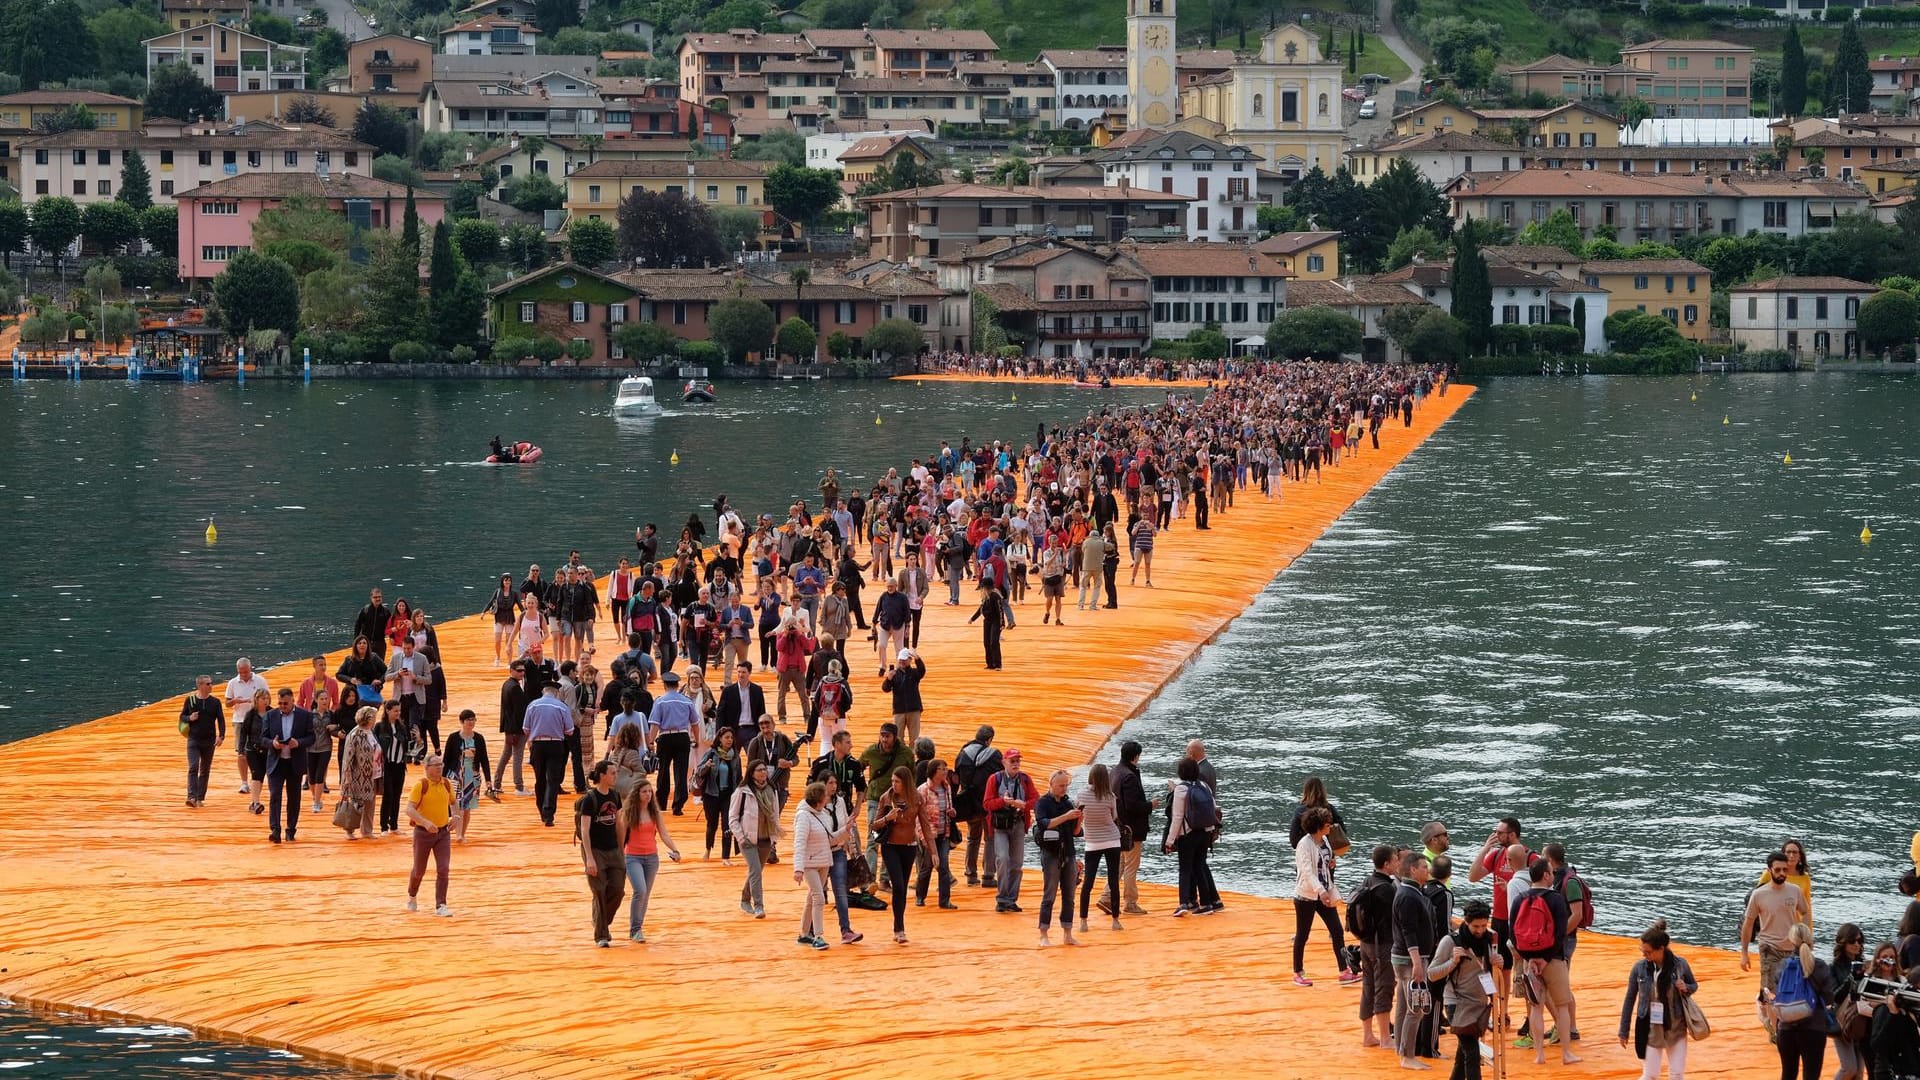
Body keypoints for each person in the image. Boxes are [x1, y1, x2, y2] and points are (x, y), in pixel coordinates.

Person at [1511, 859, 1580, 1067]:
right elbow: (1560, 933)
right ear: (1546, 875)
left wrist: (1529, 958)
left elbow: (1513, 933)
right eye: (1551, 872)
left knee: (1536, 1008)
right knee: (1562, 1006)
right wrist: (1546, 958)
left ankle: (1539, 1054)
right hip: (1553, 960)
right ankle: (1566, 1053)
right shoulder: (1556, 899)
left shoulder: (1520, 898)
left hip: (1529, 961)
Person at [1428, 899, 1501, 1080]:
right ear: (1466, 922)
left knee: (1463, 1056)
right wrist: (1452, 962)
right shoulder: (1450, 942)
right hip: (1457, 1002)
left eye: (1484, 925)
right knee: (1472, 1053)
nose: (1480, 930)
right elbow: (1431, 974)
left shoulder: (1489, 939)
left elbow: (1491, 969)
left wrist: (1499, 962)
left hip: (1479, 1003)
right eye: (1476, 926)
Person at [1619, 919, 1698, 1080]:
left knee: (1676, 1074)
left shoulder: (1680, 965)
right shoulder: (1639, 968)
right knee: (1650, 1075)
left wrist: (1686, 987)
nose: (1644, 955)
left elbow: (1694, 985)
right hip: (1650, 1027)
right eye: (1643, 951)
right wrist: (1624, 1030)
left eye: (1648, 952)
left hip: (1675, 1026)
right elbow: (1630, 999)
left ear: (1661, 949)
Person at [1291, 805, 1358, 986]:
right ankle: (1297, 972)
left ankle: (1344, 970)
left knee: (1336, 930)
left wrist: (1331, 862)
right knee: (1302, 935)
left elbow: (1325, 861)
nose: (1331, 828)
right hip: (1306, 895)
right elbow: (1306, 871)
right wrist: (1320, 891)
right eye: (1328, 825)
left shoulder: (1325, 841)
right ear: (1319, 826)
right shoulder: (1303, 845)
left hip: (1324, 892)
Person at [872, 765, 935, 944]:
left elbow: (925, 826)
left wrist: (933, 851)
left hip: (909, 847)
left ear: (905, 782)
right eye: (892, 781)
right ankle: (898, 928)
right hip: (890, 847)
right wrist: (887, 818)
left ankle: (899, 926)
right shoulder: (886, 798)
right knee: (898, 885)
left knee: (903, 887)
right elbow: (874, 825)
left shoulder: (917, 799)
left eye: (897, 781)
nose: (894, 784)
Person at [1743, 849, 1814, 997]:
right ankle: (1769, 1020)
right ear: (1769, 870)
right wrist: (1744, 953)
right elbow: (1748, 924)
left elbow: (1805, 912)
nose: (1782, 873)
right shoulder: (1758, 894)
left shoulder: (1794, 891)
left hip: (1792, 948)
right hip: (1769, 947)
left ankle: (1784, 1019)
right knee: (1769, 992)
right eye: (1777, 870)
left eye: (1784, 870)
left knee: (1792, 989)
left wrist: (1804, 934)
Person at [1392, 853, 1440, 1071]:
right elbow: (1408, 931)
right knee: (1417, 1007)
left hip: (1408, 957)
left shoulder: (1410, 892)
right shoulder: (1409, 896)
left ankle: (1401, 1049)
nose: (1427, 870)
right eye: (1423, 867)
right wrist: (1418, 963)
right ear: (1412, 869)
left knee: (1404, 1005)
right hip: (1411, 959)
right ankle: (1407, 1055)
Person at [1354, 845, 1403, 1049]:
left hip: (1365, 943)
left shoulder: (1367, 881)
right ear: (1387, 864)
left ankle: (1368, 1035)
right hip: (1382, 945)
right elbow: (1396, 918)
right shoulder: (1387, 889)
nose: (1398, 863)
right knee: (1384, 988)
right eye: (1395, 860)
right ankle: (1385, 1037)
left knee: (1368, 987)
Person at [619, 779, 680, 943]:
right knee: (640, 890)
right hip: (632, 857)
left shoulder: (655, 812)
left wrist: (675, 850)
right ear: (637, 794)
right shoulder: (629, 812)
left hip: (651, 858)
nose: (648, 794)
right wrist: (618, 856)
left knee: (645, 894)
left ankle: (638, 928)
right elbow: (621, 836)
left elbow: (664, 834)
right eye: (644, 791)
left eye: (649, 791)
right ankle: (635, 929)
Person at [1774, 921, 1836, 1080]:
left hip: (1786, 1027)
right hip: (1813, 1028)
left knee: (1788, 1073)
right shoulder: (1820, 966)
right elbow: (1829, 997)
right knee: (1811, 1075)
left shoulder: (1782, 966)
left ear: (1791, 941)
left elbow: (1778, 992)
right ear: (1810, 940)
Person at [575, 761, 625, 947]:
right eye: (612, 773)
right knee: (599, 890)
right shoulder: (590, 799)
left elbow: (619, 823)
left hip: (613, 850)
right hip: (595, 851)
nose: (615, 776)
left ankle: (600, 920)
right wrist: (589, 858)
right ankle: (601, 935)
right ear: (602, 775)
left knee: (617, 890)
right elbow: (585, 830)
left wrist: (622, 849)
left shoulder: (615, 796)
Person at [983, 748, 1038, 914]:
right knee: (1002, 858)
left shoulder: (1025, 779)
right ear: (1004, 762)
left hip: (1018, 823)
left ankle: (1011, 899)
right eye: (1012, 761)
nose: (1015, 764)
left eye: (1017, 761)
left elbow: (1036, 799)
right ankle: (1002, 897)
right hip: (1000, 826)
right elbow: (987, 804)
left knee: (1016, 863)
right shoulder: (995, 779)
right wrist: (1003, 801)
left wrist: (1024, 805)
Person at [1164, 756, 1220, 917]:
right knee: (1199, 866)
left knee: (1185, 869)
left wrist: (1170, 840)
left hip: (1188, 834)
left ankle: (1183, 903)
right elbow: (1213, 808)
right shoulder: (1204, 786)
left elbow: (1177, 816)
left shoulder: (1181, 789)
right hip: (1205, 832)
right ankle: (1206, 903)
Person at [727, 759, 782, 919]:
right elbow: (732, 817)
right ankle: (759, 906)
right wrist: (740, 836)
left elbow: (775, 814)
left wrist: (774, 836)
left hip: (765, 838)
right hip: (748, 839)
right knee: (756, 871)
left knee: (755, 871)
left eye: (764, 769)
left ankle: (745, 899)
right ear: (751, 773)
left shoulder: (772, 790)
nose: (763, 772)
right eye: (759, 770)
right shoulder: (742, 792)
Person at [1033, 768, 1083, 946]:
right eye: (1061, 785)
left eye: (1066, 786)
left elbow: (1076, 832)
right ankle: (1043, 934)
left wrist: (1078, 818)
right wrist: (1066, 816)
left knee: (1069, 894)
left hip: (1068, 851)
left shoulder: (1068, 803)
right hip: (1051, 853)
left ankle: (1067, 933)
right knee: (1049, 894)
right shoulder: (1042, 803)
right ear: (1051, 784)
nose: (1064, 789)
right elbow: (1045, 824)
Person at [404, 753, 456, 917]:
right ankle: (412, 895)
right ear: (427, 768)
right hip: (423, 834)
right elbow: (409, 809)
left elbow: (454, 803)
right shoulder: (421, 785)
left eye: (441, 764)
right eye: (436, 765)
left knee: (444, 868)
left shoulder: (446, 784)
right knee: (419, 870)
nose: (440, 768)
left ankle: (441, 904)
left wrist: (456, 816)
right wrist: (425, 822)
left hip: (443, 833)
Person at [261, 688, 314, 844]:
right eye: (280, 703)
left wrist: (298, 743)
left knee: (294, 798)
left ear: (292, 701)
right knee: (274, 795)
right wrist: (273, 743)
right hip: (276, 763)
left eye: (285, 703)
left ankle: (291, 829)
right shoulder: (270, 716)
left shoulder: (305, 716)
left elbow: (311, 737)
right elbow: (263, 738)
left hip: (294, 763)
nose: (282, 706)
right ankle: (275, 830)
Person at [953, 725, 1003, 889]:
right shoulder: (994, 755)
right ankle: (988, 875)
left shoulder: (963, 753)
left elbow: (956, 777)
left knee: (973, 838)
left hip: (968, 803)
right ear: (989, 740)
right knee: (990, 838)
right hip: (987, 804)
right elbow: (1000, 779)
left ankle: (971, 874)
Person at [1075, 762, 1123, 931]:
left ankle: (1083, 922)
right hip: (1112, 840)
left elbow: (1077, 812)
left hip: (1092, 841)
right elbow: (1114, 816)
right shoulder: (1110, 796)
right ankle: (1115, 920)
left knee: (1088, 882)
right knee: (1113, 881)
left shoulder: (1081, 794)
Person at [522, 680, 575, 828]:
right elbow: (569, 730)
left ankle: (541, 809)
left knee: (540, 778)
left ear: (543, 691)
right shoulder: (561, 706)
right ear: (556, 692)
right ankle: (549, 813)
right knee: (553, 780)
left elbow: (526, 728)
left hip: (537, 745)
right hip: (556, 744)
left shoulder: (532, 705)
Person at [792, 781, 837, 950]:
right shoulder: (803, 816)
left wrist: (845, 831)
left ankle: (804, 934)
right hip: (810, 864)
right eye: (825, 795)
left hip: (823, 862)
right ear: (818, 799)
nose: (828, 797)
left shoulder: (823, 814)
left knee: (812, 898)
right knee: (819, 897)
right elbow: (799, 843)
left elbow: (829, 838)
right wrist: (798, 868)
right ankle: (818, 935)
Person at [1112, 741, 1153, 916]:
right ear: (1136, 756)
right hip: (1132, 829)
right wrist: (1150, 805)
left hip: (1118, 826)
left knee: (1121, 864)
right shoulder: (1129, 776)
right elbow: (1133, 805)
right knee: (1130, 866)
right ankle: (1130, 902)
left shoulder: (1114, 772)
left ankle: (1107, 896)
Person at [647, 670, 697, 815]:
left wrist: (650, 742)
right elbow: (695, 723)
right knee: (681, 772)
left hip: (665, 738)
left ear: (665, 685)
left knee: (663, 771)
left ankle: (662, 803)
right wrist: (696, 739)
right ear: (677, 685)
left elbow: (655, 724)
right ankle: (678, 805)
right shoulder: (686, 701)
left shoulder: (660, 701)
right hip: (682, 737)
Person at [442, 710, 493, 843]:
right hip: (455, 776)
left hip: (473, 776)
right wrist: (441, 778)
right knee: (458, 805)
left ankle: (462, 833)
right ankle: (458, 834)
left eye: (473, 719)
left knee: (468, 807)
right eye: (468, 720)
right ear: (462, 721)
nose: (471, 722)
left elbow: (484, 760)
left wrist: (488, 780)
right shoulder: (453, 738)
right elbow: (446, 759)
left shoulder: (479, 738)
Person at [914, 760, 958, 911]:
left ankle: (944, 901)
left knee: (944, 866)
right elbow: (918, 816)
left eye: (945, 769)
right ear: (933, 771)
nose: (945, 771)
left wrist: (951, 812)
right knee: (927, 866)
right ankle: (920, 896)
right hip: (929, 834)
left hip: (943, 832)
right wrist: (922, 835)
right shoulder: (923, 790)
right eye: (941, 769)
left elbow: (949, 806)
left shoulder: (947, 788)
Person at [225, 657, 271, 802]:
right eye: (241, 672)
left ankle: (260, 778)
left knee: (263, 750)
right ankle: (244, 782)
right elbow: (227, 703)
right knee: (241, 753)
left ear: (250, 668)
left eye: (246, 671)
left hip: (259, 718)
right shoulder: (233, 683)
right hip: (240, 719)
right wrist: (234, 701)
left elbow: (267, 697)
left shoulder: (260, 680)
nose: (243, 674)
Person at [694, 726, 741, 864]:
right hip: (711, 795)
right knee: (712, 824)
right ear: (719, 739)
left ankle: (725, 856)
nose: (729, 740)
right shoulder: (711, 754)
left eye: (731, 737)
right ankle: (708, 849)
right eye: (726, 737)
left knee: (728, 825)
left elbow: (739, 777)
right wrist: (707, 766)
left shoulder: (735, 756)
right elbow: (699, 772)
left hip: (728, 796)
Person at [178, 674, 225, 808]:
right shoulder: (190, 700)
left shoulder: (215, 702)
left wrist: (221, 736)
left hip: (209, 740)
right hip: (193, 739)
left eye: (211, 683)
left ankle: (199, 797)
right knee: (193, 766)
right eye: (208, 684)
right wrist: (189, 718)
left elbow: (220, 719)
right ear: (200, 686)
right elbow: (182, 716)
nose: (211, 686)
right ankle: (191, 796)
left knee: (205, 769)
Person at [338, 706, 381, 839]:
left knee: (370, 803)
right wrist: (347, 778)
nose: (375, 719)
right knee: (357, 804)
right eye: (373, 716)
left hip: (373, 773)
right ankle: (349, 829)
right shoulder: (355, 734)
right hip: (358, 775)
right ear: (368, 718)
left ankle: (367, 830)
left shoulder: (370, 732)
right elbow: (348, 757)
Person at [372, 700, 411, 836]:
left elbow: (408, 747)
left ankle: (394, 825)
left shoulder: (402, 727)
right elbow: (374, 746)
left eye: (399, 711)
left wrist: (417, 741)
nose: (398, 713)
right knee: (387, 795)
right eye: (395, 711)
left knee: (397, 796)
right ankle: (384, 827)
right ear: (387, 710)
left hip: (399, 765)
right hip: (386, 766)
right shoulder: (380, 727)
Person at [1756, 838, 1814, 927]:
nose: (1791, 855)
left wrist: (1807, 933)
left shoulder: (1805, 878)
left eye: (1795, 852)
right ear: (1783, 855)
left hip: (1795, 928)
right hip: (1772, 925)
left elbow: (1807, 909)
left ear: (1800, 856)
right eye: (1788, 852)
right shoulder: (1769, 873)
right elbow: (1756, 899)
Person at [1287, 775, 1346, 850]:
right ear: (1323, 791)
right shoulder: (1330, 809)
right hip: (1327, 852)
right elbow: (1342, 832)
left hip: (1306, 851)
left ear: (1305, 791)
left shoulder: (1300, 811)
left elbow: (1293, 840)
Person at [880, 648, 925, 744]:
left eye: (904, 660)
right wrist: (888, 679)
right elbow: (885, 689)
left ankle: (913, 757)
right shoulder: (894, 674)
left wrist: (917, 658)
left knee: (914, 739)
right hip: (899, 710)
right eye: (900, 660)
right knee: (898, 739)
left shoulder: (914, 673)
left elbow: (922, 671)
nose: (902, 662)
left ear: (910, 660)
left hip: (913, 709)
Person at [718, 661, 767, 748]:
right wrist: (719, 732)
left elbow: (761, 712)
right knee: (731, 759)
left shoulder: (757, 690)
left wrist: (762, 730)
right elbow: (721, 713)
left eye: (743, 672)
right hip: (733, 731)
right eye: (739, 672)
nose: (741, 675)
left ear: (749, 673)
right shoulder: (728, 691)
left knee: (754, 760)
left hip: (752, 731)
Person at [968, 580, 1009, 670]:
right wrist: (973, 618)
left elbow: (1000, 610)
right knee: (986, 642)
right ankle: (990, 663)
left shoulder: (995, 596)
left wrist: (1002, 623)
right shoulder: (985, 597)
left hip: (996, 621)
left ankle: (997, 664)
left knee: (994, 642)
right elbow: (980, 609)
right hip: (987, 621)